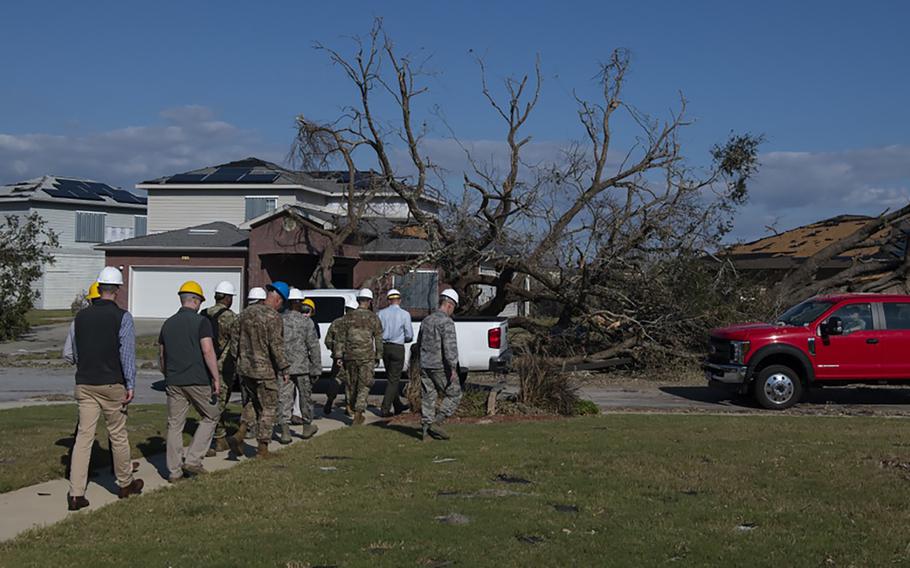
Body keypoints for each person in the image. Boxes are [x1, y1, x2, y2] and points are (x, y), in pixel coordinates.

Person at [62, 267, 143, 510]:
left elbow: (73, 352)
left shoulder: (80, 317)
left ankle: (76, 493)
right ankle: (125, 483)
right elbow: (126, 354)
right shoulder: (123, 317)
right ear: (117, 290)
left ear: (99, 287)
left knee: (84, 438)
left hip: (85, 382)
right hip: (111, 383)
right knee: (117, 434)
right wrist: (130, 384)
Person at [158, 281, 221, 482]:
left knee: (175, 425)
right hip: (198, 379)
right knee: (211, 415)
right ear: (194, 300)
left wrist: (167, 374)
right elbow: (207, 350)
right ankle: (193, 460)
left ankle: (174, 472)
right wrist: (216, 378)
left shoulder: (168, 323)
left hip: (174, 381)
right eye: (200, 300)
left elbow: (161, 354)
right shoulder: (201, 322)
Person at [228, 282, 290, 458]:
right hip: (265, 371)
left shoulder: (245, 313)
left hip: (245, 369)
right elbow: (276, 347)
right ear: (278, 299)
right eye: (282, 303)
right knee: (269, 407)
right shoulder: (273, 317)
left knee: (253, 403)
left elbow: (234, 342)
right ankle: (263, 449)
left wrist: (238, 361)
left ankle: (240, 433)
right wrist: (284, 368)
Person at [276, 288, 322, 444]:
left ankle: (285, 431)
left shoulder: (279, 319)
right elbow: (313, 346)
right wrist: (316, 368)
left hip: (285, 367)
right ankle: (307, 426)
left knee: (284, 398)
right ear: (300, 303)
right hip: (302, 367)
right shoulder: (307, 322)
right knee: (305, 397)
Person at [416, 289, 462, 441]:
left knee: (428, 397)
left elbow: (419, 343)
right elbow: (450, 347)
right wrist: (453, 367)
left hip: (425, 364)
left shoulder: (426, 320)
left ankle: (425, 430)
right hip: (440, 366)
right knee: (455, 393)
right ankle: (438, 421)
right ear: (449, 305)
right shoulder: (446, 322)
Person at [338, 288, 383, 426]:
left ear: (358, 300)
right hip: (366, 356)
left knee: (352, 383)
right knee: (364, 384)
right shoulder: (373, 317)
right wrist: (378, 355)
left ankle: (351, 406)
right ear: (369, 301)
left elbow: (341, 338)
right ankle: (358, 412)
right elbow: (378, 338)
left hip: (350, 356)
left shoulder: (347, 317)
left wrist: (338, 356)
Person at [204, 281, 238, 454]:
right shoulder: (231, 317)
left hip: (205, 364)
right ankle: (214, 440)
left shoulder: (204, 313)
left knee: (214, 402)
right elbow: (236, 343)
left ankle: (220, 437)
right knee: (219, 404)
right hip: (224, 367)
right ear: (227, 298)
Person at [378, 288, 413, 417]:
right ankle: (385, 408)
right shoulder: (404, 314)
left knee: (391, 378)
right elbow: (409, 334)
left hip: (384, 347)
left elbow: (377, 332)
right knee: (394, 379)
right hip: (398, 347)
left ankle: (397, 405)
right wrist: (403, 338)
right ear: (399, 300)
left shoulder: (380, 314)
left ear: (388, 300)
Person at [323, 297, 357, 415]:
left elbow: (327, 340)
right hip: (352, 358)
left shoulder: (337, 322)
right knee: (351, 382)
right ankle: (349, 406)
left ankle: (329, 401)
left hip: (337, 358)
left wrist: (334, 349)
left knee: (336, 380)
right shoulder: (357, 325)